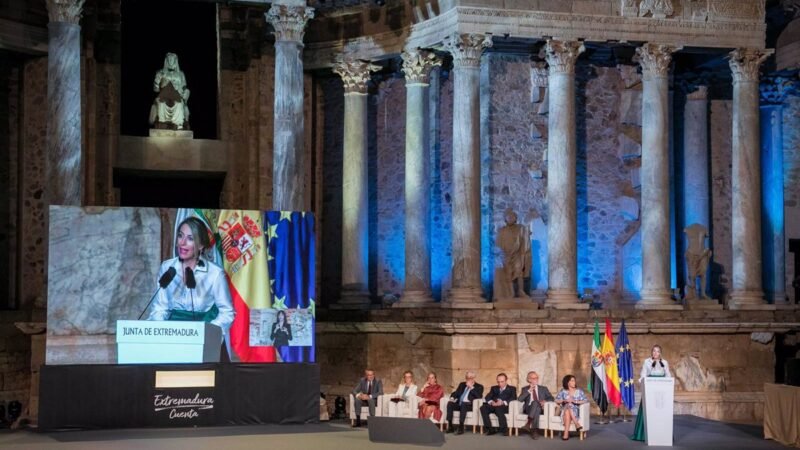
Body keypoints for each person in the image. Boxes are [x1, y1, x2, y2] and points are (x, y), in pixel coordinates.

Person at [147, 217, 234, 333]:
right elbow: (159, 308)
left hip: (202, 338)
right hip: (170, 336)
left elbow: (227, 313)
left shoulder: (215, 274)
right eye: (180, 236)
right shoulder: (167, 268)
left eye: (190, 238)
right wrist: (161, 333)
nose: (182, 243)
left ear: (201, 245)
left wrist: (207, 333)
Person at [632, 345, 672, 441]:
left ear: (660, 353)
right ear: (652, 352)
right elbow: (643, 375)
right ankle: (644, 435)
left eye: (657, 351)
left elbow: (668, 376)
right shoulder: (647, 362)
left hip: (661, 392)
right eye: (654, 351)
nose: (655, 353)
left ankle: (662, 434)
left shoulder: (665, 362)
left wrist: (669, 383)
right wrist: (642, 380)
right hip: (649, 390)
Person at [517, 370, 554, 439]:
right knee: (535, 403)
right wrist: (529, 391)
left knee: (536, 405)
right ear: (529, 380)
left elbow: (551, 398)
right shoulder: (525, 389)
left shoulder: (543, 388)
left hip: (542, 408)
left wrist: (545, 401)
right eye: (534, 378)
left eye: (537, 378)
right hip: (529, 409)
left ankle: (528, 424)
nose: (536, 379)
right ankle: (534, 430)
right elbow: (519, 399)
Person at [446, 371, 484, 435]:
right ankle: (450, 426)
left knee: (464, 404)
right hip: (459, 404)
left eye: (470, 377)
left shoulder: (479, 386)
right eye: (467, 377)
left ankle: (461, 427)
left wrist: (471, 387)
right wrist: (452, 398)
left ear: (474, 378)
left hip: (469, 405)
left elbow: (479, 396)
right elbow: (455, 393)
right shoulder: (462, 384)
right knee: (450, 403)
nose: (468, 379)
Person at [554, 374, 588, 441]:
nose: (574, 382)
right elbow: (556, 400)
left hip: (575, 410)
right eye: (572, 381)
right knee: (567, 407)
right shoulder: (563, 391)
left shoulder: (579, 391)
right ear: (567, 382)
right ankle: (576, 424)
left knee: (568, 408)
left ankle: (565, 434)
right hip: (564, 409)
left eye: (574, 381)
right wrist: (564, 400)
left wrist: (574, 401)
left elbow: (585, 400)